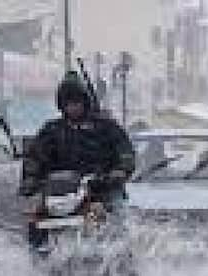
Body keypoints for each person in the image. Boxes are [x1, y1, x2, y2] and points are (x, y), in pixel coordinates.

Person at [22, 72, 135, 208]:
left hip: (103, 192)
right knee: (35, 217)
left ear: (85, 101)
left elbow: (125, 151)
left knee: (116, 213)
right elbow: (35, 157)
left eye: (76, 102)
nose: (72, 107)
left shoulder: (106, 127)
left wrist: (120, 171)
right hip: (62, 196)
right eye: (67, 103)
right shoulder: (52, 130)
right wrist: (30, 180)